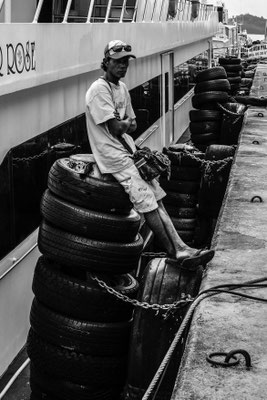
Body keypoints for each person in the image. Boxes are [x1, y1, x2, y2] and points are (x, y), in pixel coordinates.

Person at [85, 39, 214, 268]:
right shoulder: (98, 90)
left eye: (126, 61)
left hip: (129, 151)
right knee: (147, 202)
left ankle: (181, 248)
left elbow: (133, 125)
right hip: (114, 157)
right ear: (106, 62)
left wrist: (123, 123)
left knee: (158, 198)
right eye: (117, 61)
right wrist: (124, 123)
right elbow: (117, 129)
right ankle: (174, 253)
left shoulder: (122, 89)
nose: (123, 66)